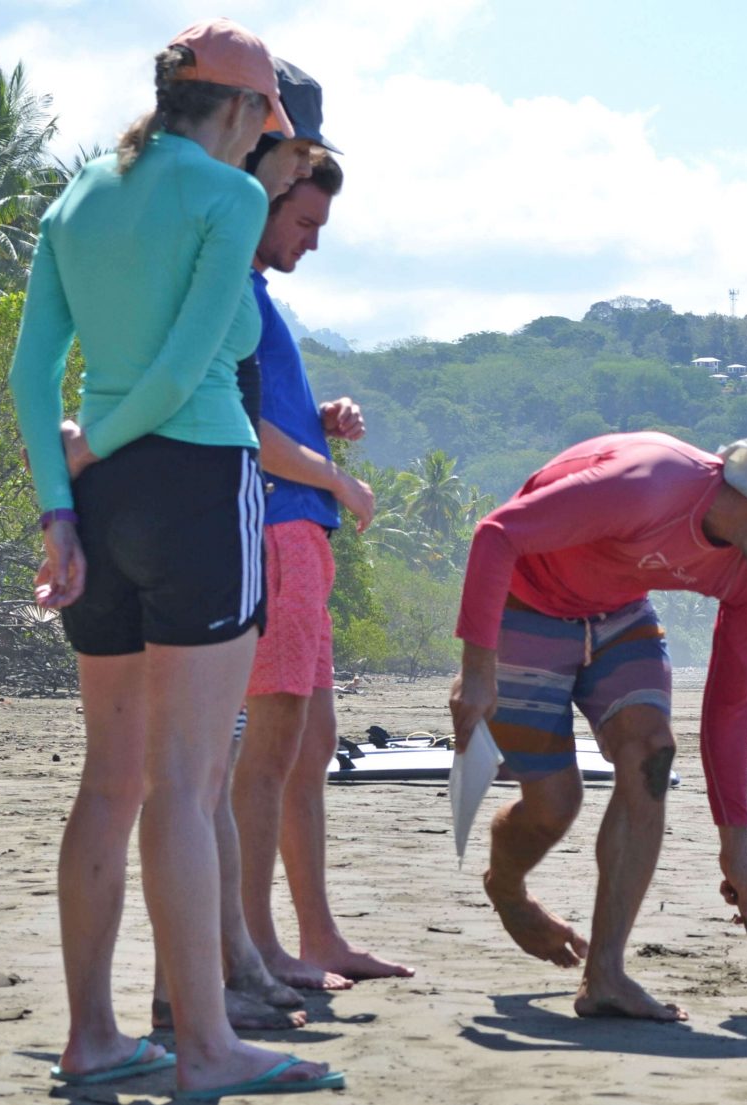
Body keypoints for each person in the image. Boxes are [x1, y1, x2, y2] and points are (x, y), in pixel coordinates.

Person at [8, 18, 341, 1097]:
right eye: (263, 125)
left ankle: (94, 1036)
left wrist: (62, 504)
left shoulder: (78, 194)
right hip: (196, 484)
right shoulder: (226, 196)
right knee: (188, 785)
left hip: (99, 503)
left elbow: (30, 374)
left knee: (108, 780)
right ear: (244, 115)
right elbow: (192, 364)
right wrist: (102, 442)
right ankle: (206, 1046)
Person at [448, 430, 747, 1021]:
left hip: (619, 612)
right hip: (528, 603)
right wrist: (478, 669)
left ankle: (606, 976)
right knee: (554, 806)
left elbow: (730, 704)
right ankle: (508, 887)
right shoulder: (649, 484)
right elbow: (497, 534)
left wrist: (735, 847)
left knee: (651, 753)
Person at [233, 143, 414, 989]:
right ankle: (259, 941)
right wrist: (336, 475)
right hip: (276, 535)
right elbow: (244, 429)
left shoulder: (261, 299)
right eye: (302, 220)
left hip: (303, 538)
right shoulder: (232, 290)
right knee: (269, 751)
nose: (310, 240)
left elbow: (275, 416)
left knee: (311, 745)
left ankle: (317, 933)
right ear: (265, 197)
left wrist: (321, 417)